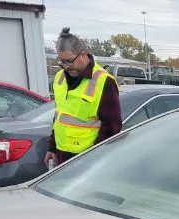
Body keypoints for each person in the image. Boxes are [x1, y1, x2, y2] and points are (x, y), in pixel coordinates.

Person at [45, 27, 122, 168]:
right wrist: (52, 147)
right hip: (62, 157)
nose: (65, 67)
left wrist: (94, 158)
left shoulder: (104, 81)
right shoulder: (59, 78)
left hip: (88, 161)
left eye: (69, 61)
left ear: (82, 54)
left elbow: (112, 128)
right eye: (61, 61)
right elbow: (59, 117)